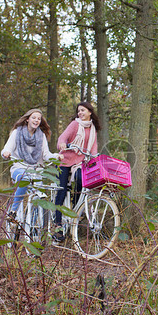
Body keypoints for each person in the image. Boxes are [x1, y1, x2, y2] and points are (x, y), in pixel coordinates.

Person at [1, 109, 62, 221]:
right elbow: (7, 148)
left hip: (36, 171)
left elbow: (46, 154)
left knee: (40, 196)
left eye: (39, 118)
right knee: (25, 179)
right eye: (34, 117)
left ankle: (34, 228)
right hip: (19, 168)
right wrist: (6, 153)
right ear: (28, 119)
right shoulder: (17, 133)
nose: (36, 120)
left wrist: (56, 156)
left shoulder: (41, 136)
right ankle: (13, 211)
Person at [53, 101, 101, 241]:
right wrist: (62, 143)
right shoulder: (75, 124)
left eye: (83, 110)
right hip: (65, 160)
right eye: (78, 111)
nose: (80, 113)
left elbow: (93, 148)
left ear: (90, 112)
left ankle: (75, 209)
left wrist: (95, 160)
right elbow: (63, 137)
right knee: (61, 191)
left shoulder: (93, 129)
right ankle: (58, 227)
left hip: (80, 163)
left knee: (81, 179)